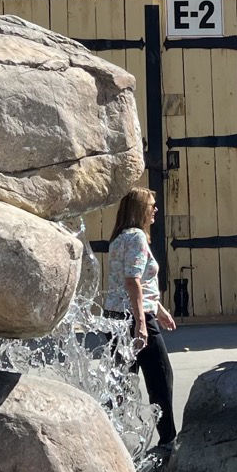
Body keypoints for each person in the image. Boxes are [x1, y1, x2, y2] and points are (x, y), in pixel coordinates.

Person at [104, 187, 176, 447]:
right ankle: (168, 440)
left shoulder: (119, 237)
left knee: (120, 381)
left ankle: (111, 436)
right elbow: (132, 281)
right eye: (151, 205)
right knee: (160, 376)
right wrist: (143, 324)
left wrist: (159, 309)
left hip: (116, 317)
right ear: (139, 209)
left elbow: (139, 284)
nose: (155, 209)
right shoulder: (136, 237)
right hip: (134, 318)